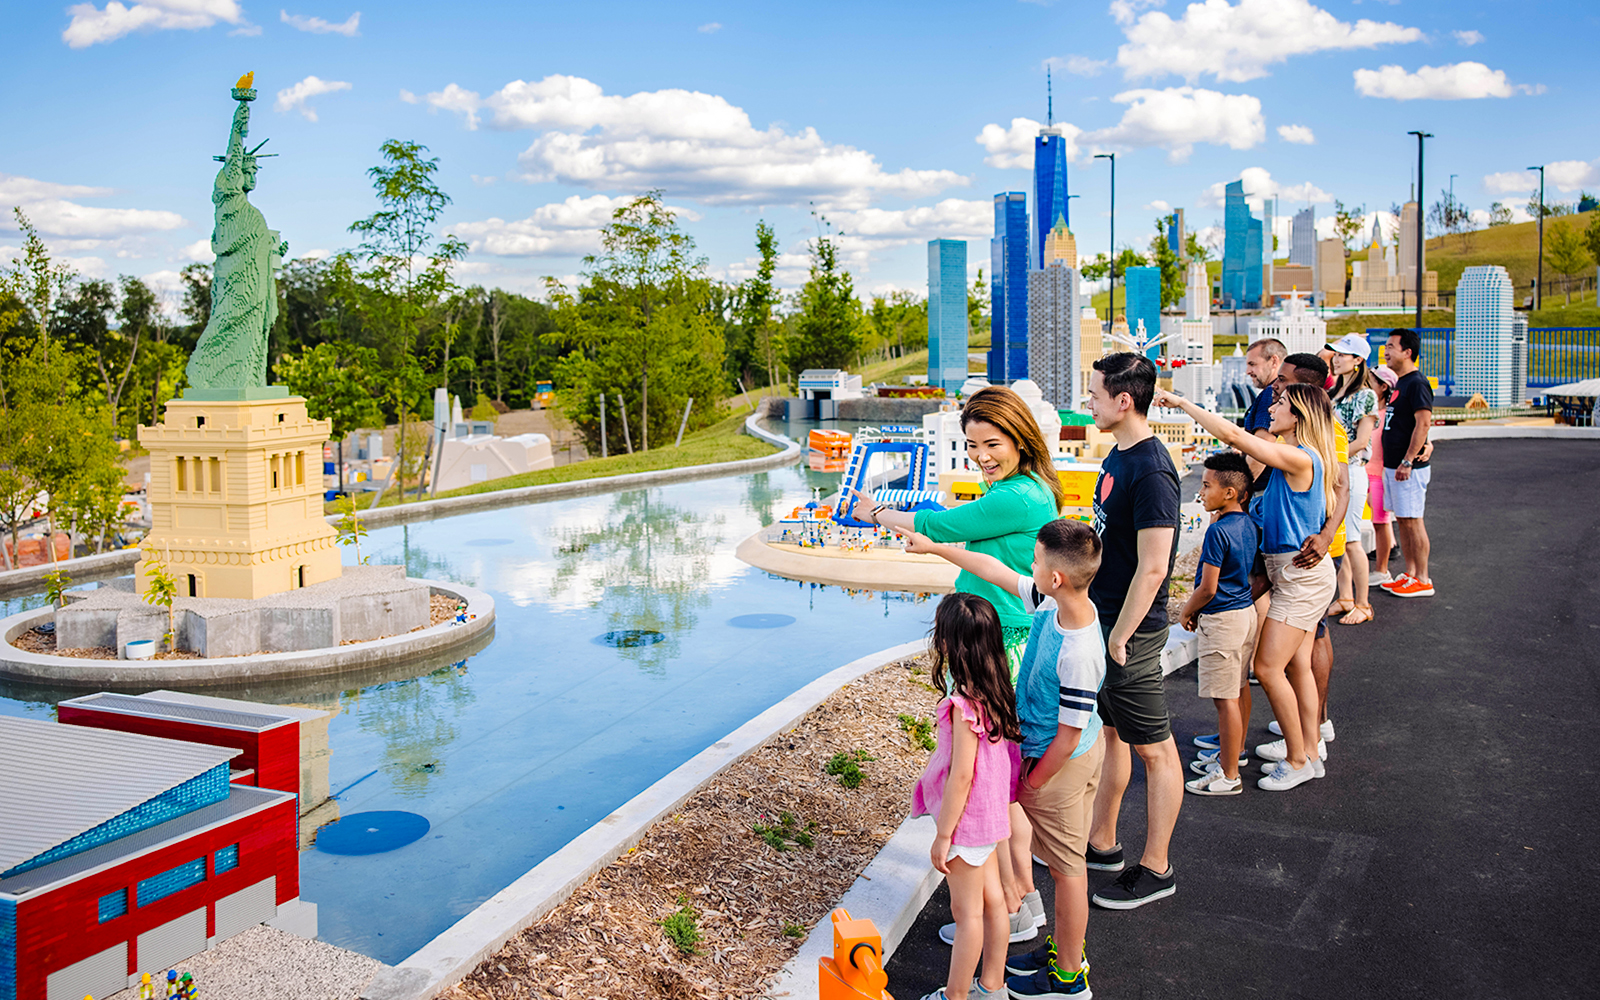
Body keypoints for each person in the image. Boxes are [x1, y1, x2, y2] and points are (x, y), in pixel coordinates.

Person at [848, 385, 1062, 940]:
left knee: (992, 780)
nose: (980, 456)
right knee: (1003, 780)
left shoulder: (1021, 495)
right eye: (971, 446)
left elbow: (944, 525)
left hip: (999, 639)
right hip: (989, 634)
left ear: (1021, 437)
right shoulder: (1018, 488)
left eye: (991, 444)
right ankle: (1021, 901)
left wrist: (878, 511)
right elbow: (962, 534)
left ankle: (1007, 908)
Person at [903, 519, 1107, 1000]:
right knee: (1054, 867)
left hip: (1060, 763)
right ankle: (1053, 947)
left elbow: (1068, 733)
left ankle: (1069, 975)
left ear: (1055, 576)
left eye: (1035, 561)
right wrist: (935, 547)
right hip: (1055, 755)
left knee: (1066, 868)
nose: (1028, 567)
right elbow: (993, 571)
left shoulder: (1078, 650)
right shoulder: (1057, 604)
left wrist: (1033, 782)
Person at [1155, 382, 1339, 791]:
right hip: (1294, 574)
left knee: (1267, 667)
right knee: (1296, 667)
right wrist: (1325, 532)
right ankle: (1308, 751)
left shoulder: (1297, 458)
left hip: (1298, 578)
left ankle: (1297, 759)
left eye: (1281, 404)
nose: (1271, 408)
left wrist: (1185, 401)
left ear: (1299, 417)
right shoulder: (1304, 460)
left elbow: (1235, 436)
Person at [1077, 352, 1184, 910]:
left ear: (1124, 400)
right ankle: (1102, 843)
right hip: (1105, 620)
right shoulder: (1117, 457)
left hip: (1130, 631)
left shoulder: (1152, 470)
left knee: (1156, 750)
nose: (1087, 402)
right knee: (1113, 734)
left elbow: (1154, 566)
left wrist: (1120, 635)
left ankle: (1158, 867)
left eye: (1094, 394)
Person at [910, 594, 1025, 1000]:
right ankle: (992, 986)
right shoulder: (996, 692)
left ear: (949, 644)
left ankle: (955, 995)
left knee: (967, 914)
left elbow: (962, 775)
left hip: (967, 824)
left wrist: (944, 836)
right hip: (990, 818)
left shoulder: (963, 706)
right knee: (993, 903)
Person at [1179, 453, 1258, 796]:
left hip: (1222, 619)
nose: (1202, 490)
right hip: (1245, 614)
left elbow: (1208, 587)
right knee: (1239, 689)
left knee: (1224, 699)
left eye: (1207, 485)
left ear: (1229, 493)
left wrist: (1186, 610)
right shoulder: (1249, 524)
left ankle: (1228, 775)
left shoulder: (1217, 531)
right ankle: (1234, 753)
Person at [1327, 335, 1381, 624]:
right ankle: (1345, 597)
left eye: (1343, 355)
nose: (1336, 359)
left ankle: (1363, 603)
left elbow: (1361, 441)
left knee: (1352, 539)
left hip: (1352, 470)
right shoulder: (1337, 392)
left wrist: (1331, 457)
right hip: (1337, 471)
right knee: (1340, 537)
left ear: (1358, 360)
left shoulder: (1366, 395)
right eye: (1335, 354)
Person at [1379, 329, 1435, 598]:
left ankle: (1423, 578)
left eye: (1391, 346)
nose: (1386, 351)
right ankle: (1411, 573)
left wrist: (1408, 461)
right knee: (1403, 520)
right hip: (1394, 465)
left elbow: (1423, 423)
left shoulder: (1417, 383)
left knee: (1413, 520)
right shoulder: (1401, 382)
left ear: (1407, 352)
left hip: (1406, 467)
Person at [1367, 366, 1399, 586]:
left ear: (1383, 386)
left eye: (1370, 382)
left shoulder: (1389, 415)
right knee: (1376, 521)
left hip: (1379, 474)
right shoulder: (1368, 412)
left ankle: (1382, 569)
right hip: (1364, 472)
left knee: (1381, 523)